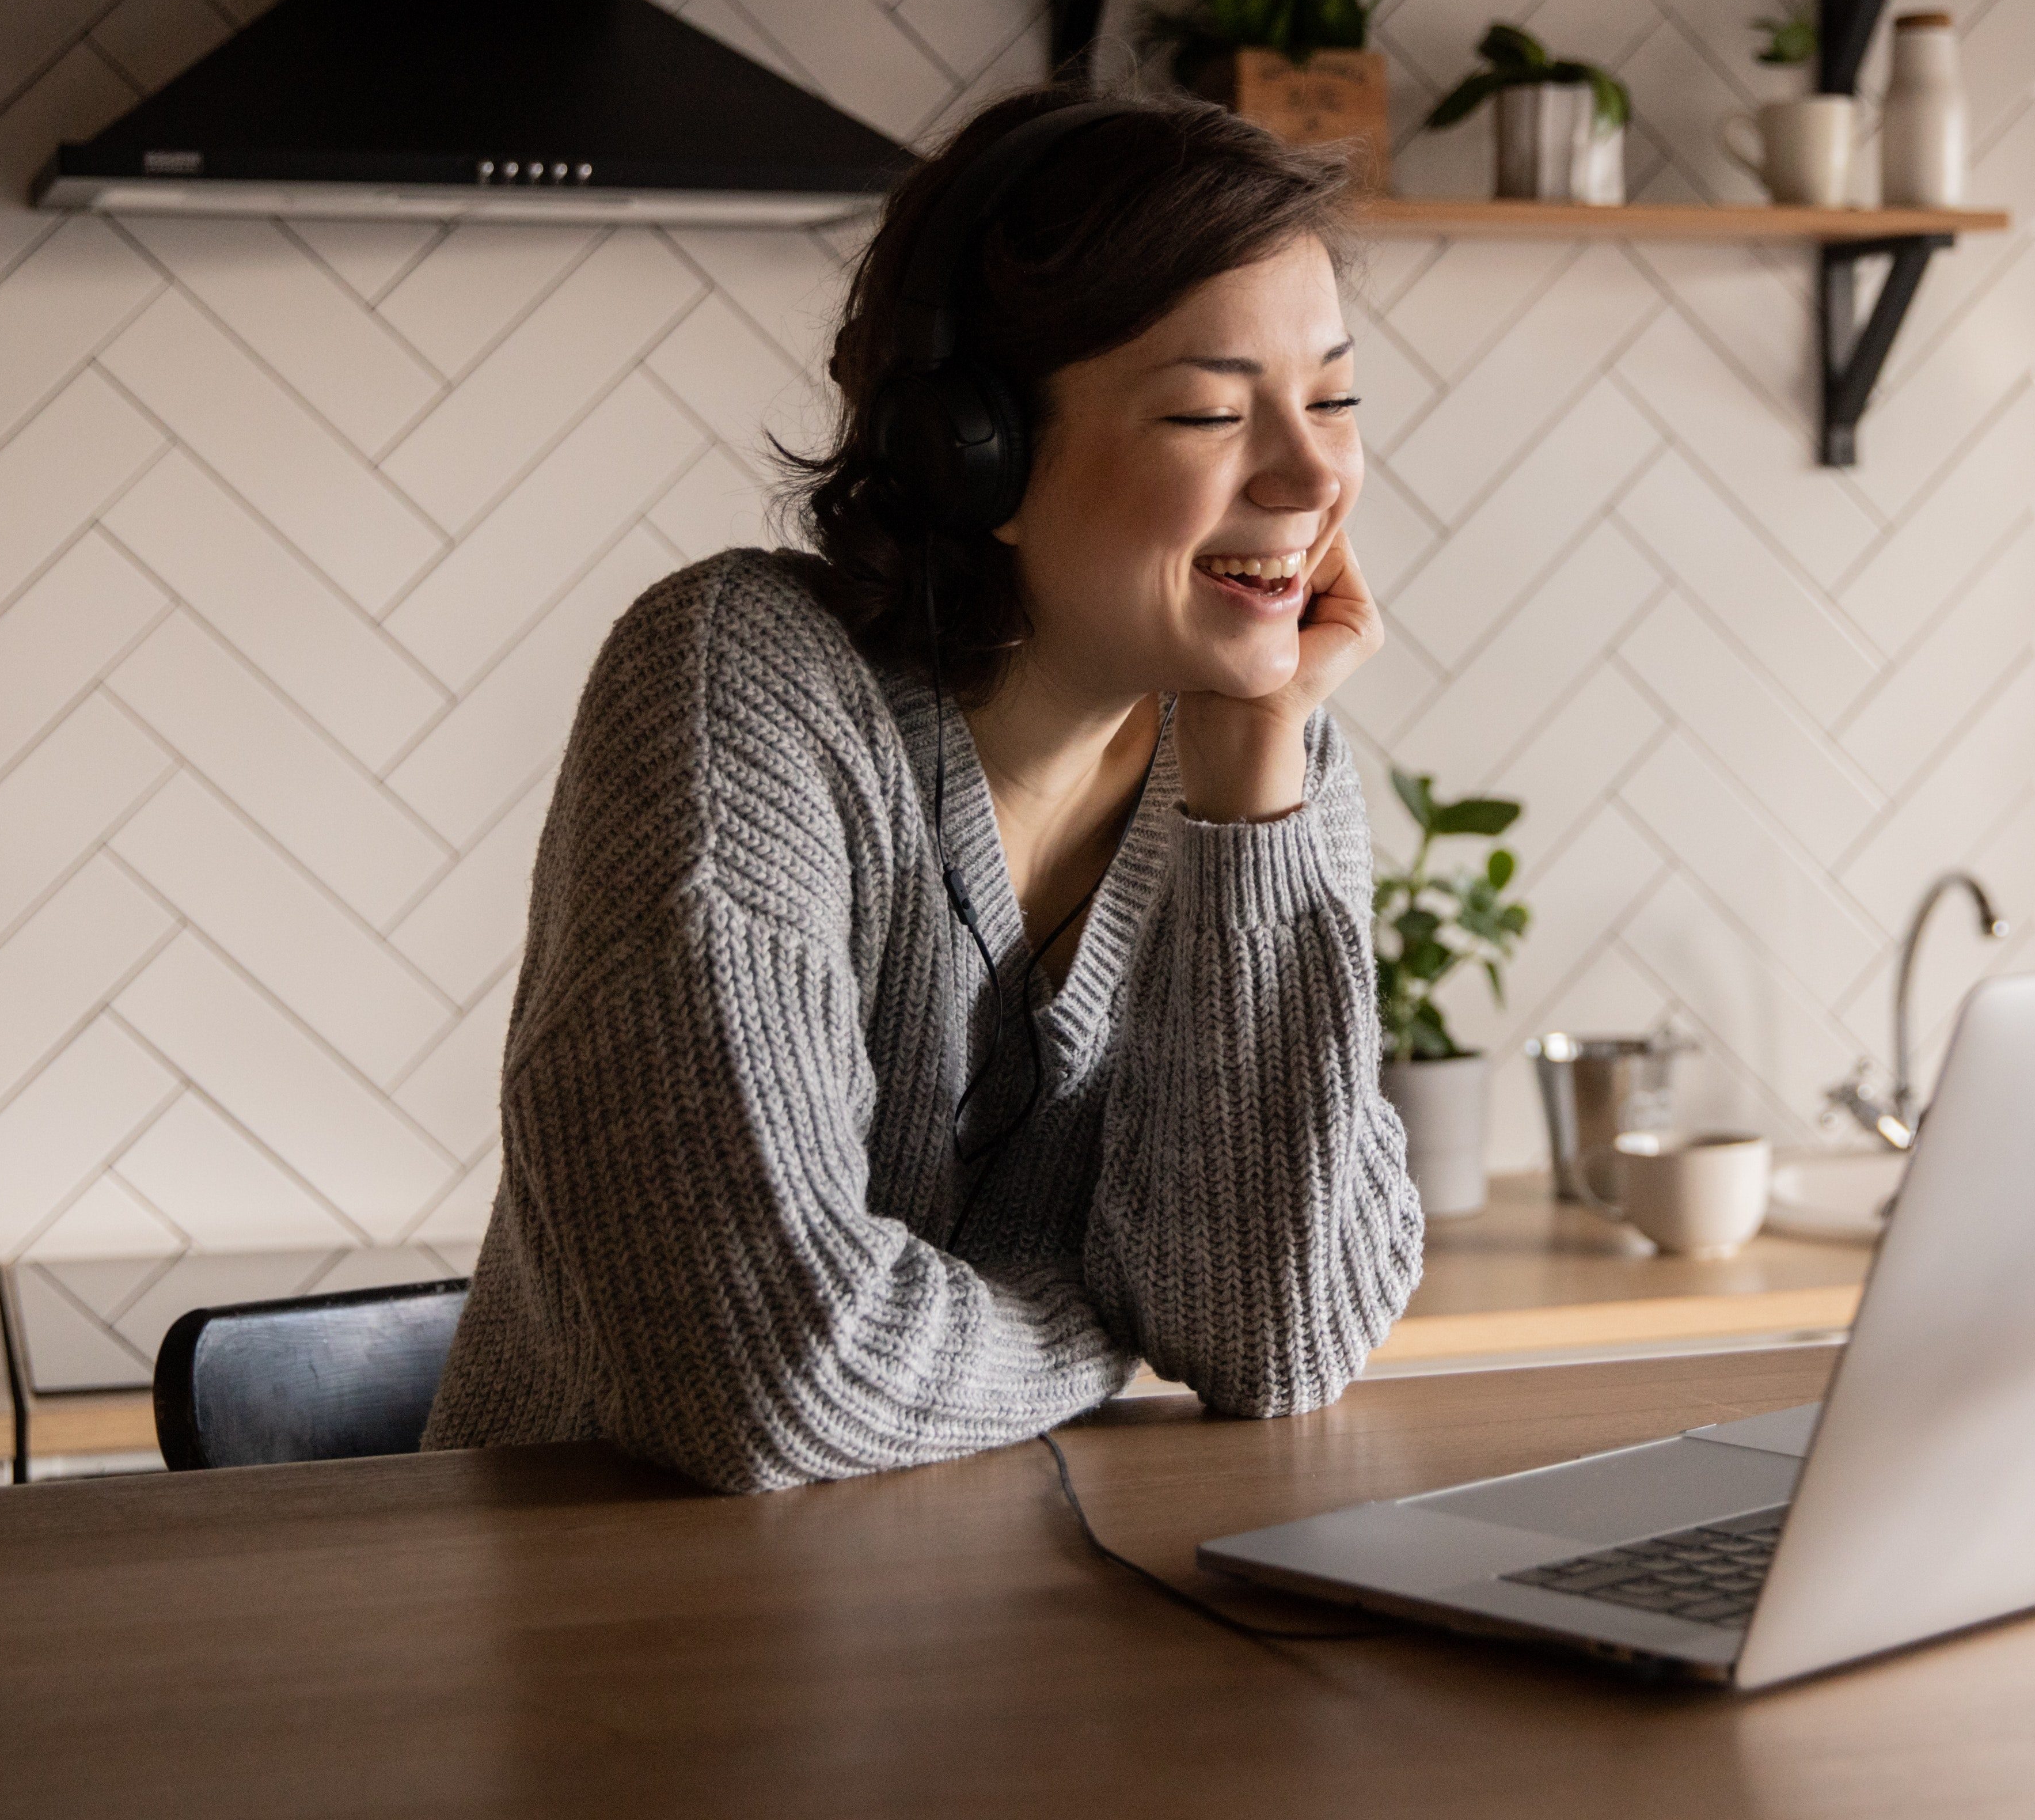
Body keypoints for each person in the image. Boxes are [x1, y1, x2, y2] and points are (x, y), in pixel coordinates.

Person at [424, 89, 1420, 1491]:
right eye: (1210, 409)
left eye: (1334, 397)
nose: (1315, 475)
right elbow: (772, 1370)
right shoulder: (740, 685)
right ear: (977, 452)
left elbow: (1276, 1340)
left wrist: (1255, 801)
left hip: (996, 1640)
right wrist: (1096, 1317)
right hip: (617, 1643)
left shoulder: (1272, 767)